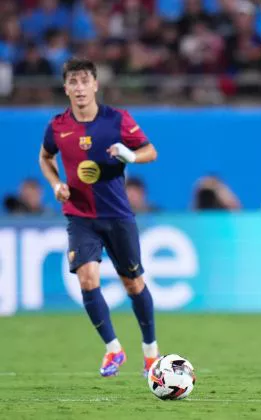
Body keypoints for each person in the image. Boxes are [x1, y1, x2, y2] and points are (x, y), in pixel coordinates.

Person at [38, 57, 160, 378]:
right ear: (65, 88)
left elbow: (150, 151)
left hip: (117, 215)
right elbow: (45, 157)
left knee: (133, 284)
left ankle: (150, 352)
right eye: (73, 82)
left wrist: (129, 155)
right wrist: (55, 185)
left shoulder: (117, 120)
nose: (79, 88)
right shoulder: (57, 126)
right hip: (80, 216)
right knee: (87, 278)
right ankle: (113, 349)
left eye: (84, 81)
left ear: (95, 85)